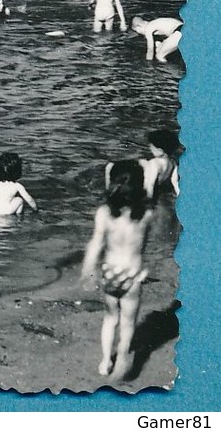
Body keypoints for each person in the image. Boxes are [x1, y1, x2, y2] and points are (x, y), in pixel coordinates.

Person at [81, 160, 154, 379]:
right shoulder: (146, 215)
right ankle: (122, 356)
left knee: (110, 318)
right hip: (132, 274)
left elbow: (95, 244)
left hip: (110, 273)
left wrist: (87, 271)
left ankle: (105, 361)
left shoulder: (104, 213)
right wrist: (144, 270)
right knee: (128, 322)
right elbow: (144, 246)